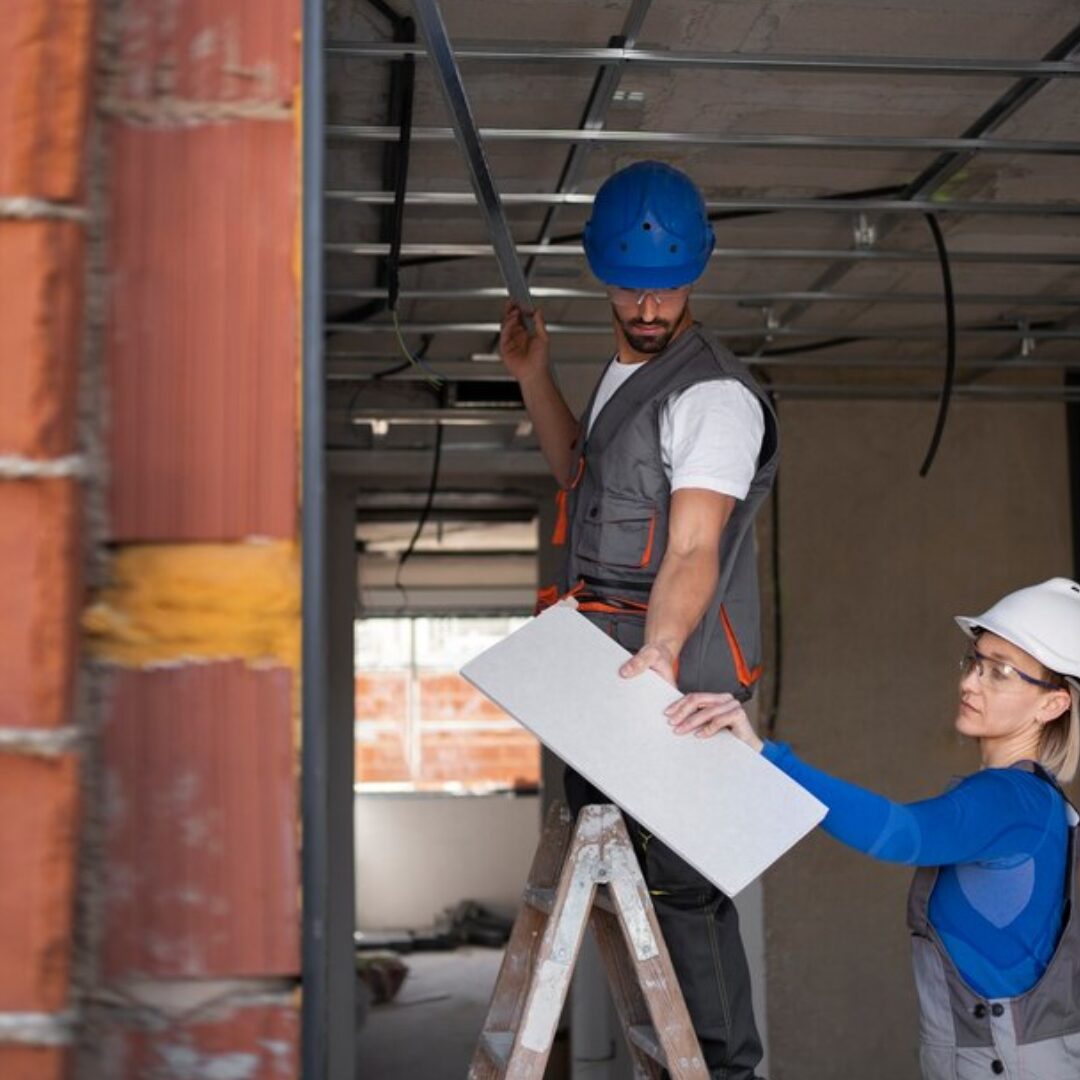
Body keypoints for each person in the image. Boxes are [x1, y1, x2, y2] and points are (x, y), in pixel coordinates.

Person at [500, 160, 779, 1080]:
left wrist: (660, 650)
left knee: (684, 896)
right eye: (631, 289)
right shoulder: (627, 375)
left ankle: (728, 1076)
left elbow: (694, 547)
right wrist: (535, 377)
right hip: (604, 684)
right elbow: (579, 468)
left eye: (667, 290)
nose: (651, 309)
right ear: (601, 275)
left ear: (696, 273)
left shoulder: (714, 399)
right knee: (631, 891)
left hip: (671, 689)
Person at [666, 578, 1080, 1079]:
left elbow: (902, 834)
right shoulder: (1037, 800)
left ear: (1053, 704)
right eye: (975, 661)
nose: (971, 682)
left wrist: (765, 755)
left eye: (1001, 673)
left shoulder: (1007, 800)